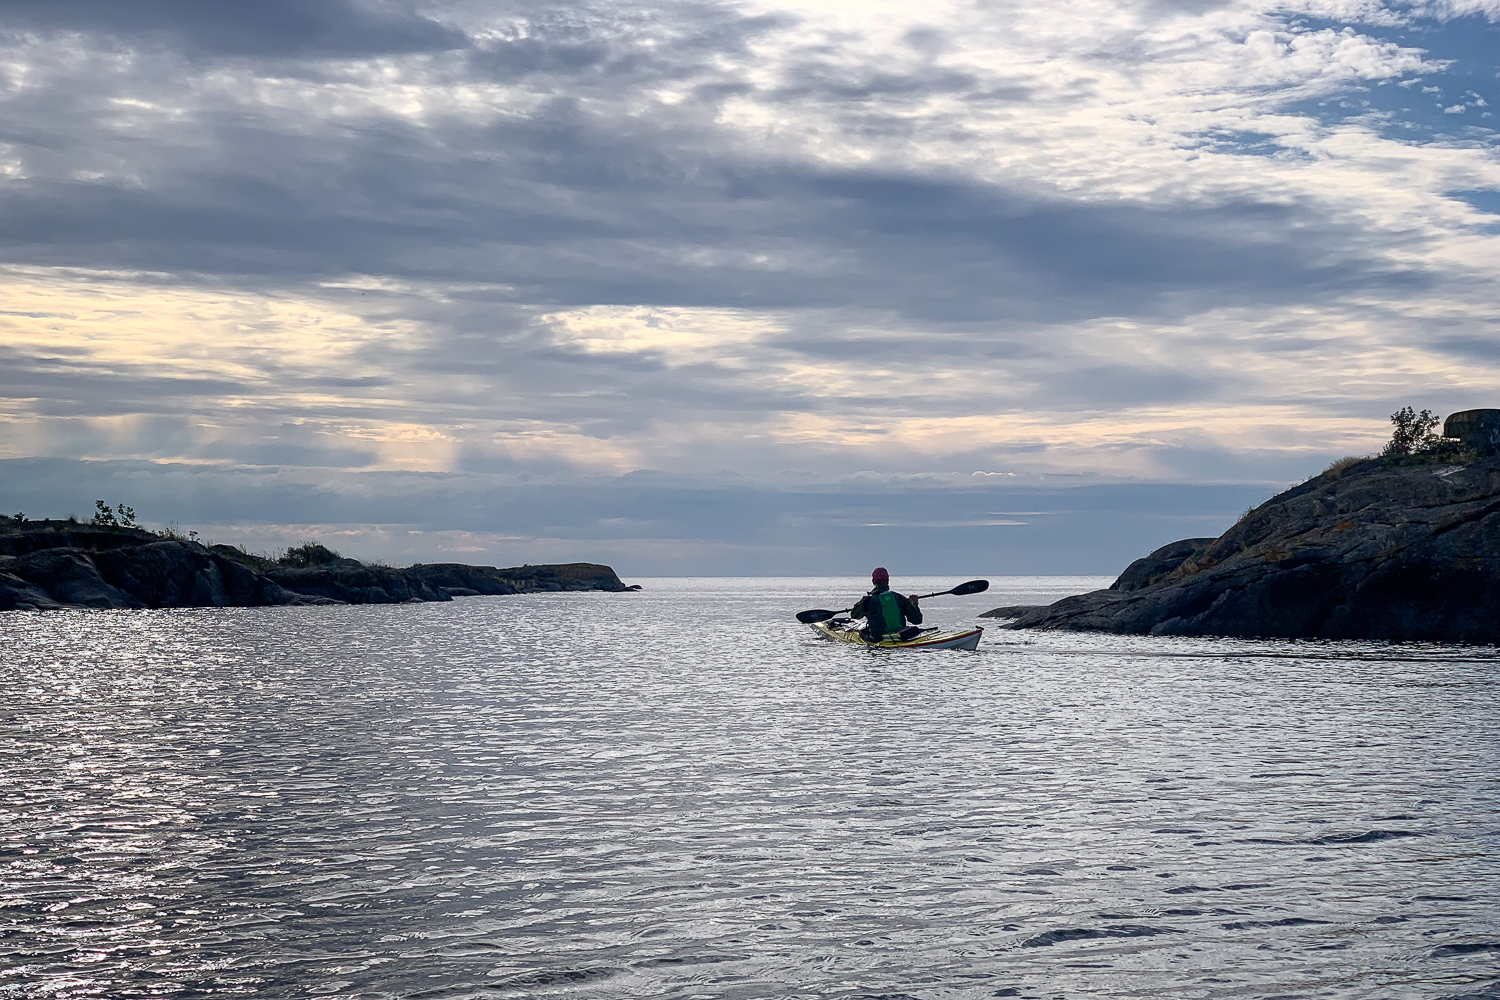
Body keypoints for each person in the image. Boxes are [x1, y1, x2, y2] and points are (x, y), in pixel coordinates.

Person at [851, 567, 923, 643]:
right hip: (901, 636)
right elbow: (917, 620)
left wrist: (861, 603)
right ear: (887, 581)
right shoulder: (899, 598)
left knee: (863, 632)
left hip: (878, 639)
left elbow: (854, 615)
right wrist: (914, 604)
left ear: (873, 581)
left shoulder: (868, 600)